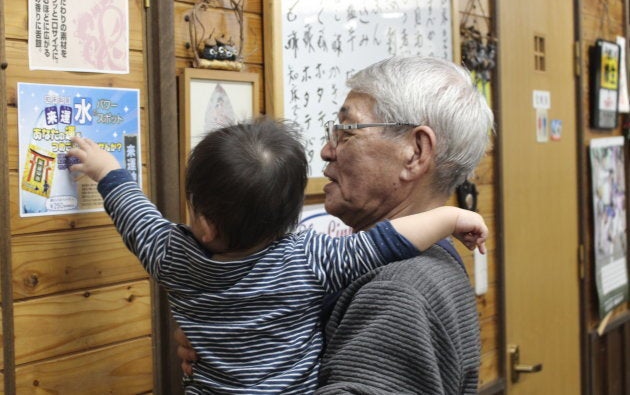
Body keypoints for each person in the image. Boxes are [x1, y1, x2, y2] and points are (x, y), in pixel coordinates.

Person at [67, 117, 488, 394]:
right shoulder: (312, 259)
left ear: (207, 226)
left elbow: (133, 213)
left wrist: (107, 170)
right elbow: (388, 241)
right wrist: (449, 216)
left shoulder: (171, 257)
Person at [176, 57, 494, 394]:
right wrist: (232, 344)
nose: (327, 151)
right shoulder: (413, 265)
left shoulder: (398, 292)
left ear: (414, 152)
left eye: (346, 132)